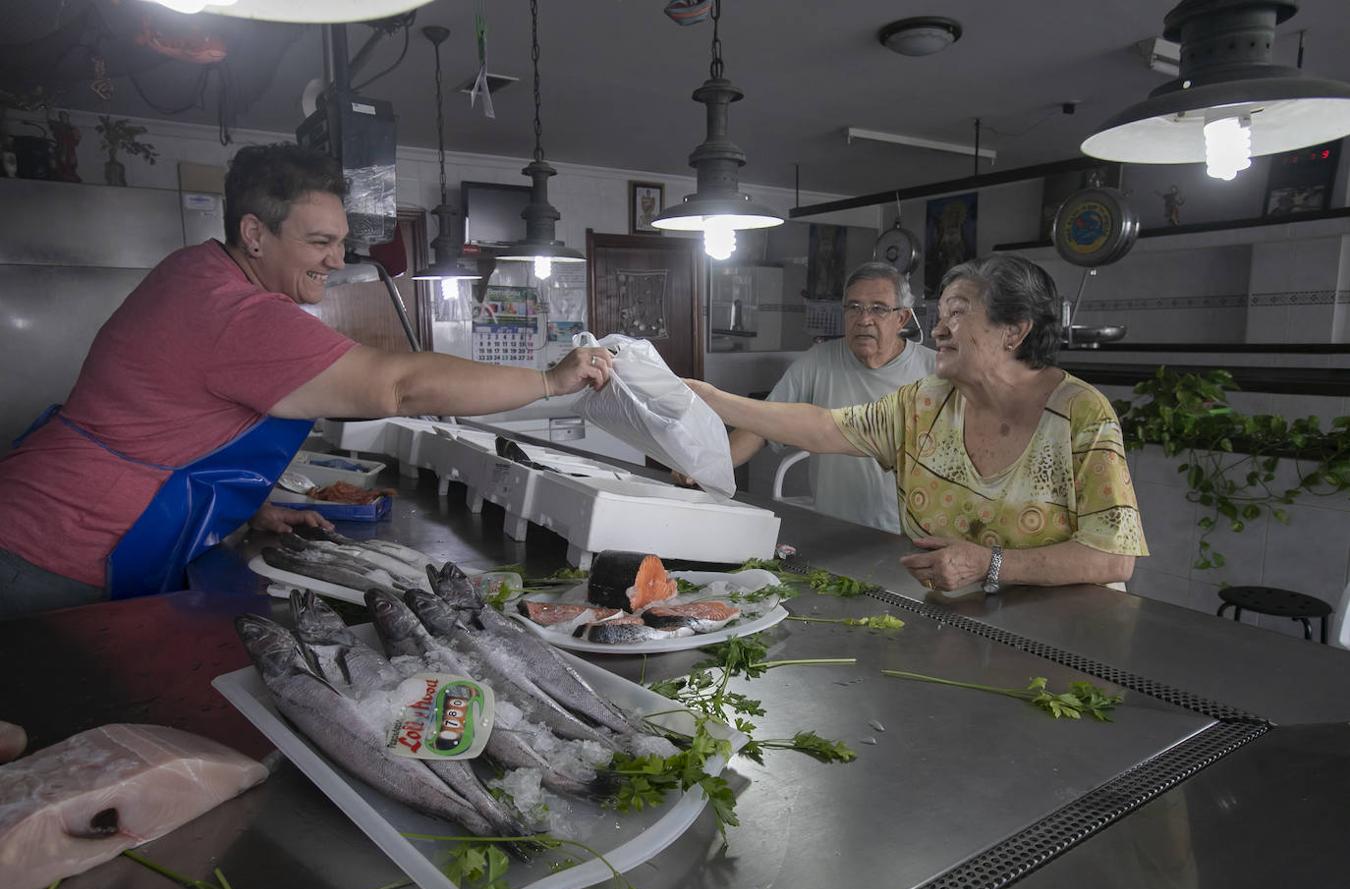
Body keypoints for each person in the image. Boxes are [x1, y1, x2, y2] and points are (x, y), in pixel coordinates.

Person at [0, 143, 611, 619]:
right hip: (53, 550)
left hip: (50, 519)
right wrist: (551, 382)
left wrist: (245, 502)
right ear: (254, 234)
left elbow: (165, 419)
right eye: (319, 242)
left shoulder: (194, 270)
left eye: (342, 242)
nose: (337, 261)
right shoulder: (236, 313)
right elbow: (396, 387)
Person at [686, 254, 1147, 592]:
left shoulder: (1079, 414)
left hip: (1068, 633)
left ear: (1015, 331)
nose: (941, 329)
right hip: (965, 616)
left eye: (959, 314)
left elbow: (1112, 556)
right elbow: (824, 427)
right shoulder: (926, 403)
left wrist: (990, 564)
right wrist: (711, 398)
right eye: (941, 315)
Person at [715, 261, 935, 532]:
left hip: (911, 534)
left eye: (878, 308)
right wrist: (708, 466)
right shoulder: (817, 362)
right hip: (833, 528)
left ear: (901, 318)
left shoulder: (936, 372)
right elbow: (761, 425)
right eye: (854, 307)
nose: (864, 319)